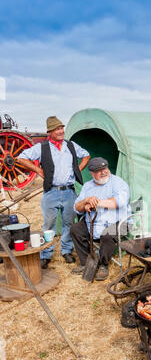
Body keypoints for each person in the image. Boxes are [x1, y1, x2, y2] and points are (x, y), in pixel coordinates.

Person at [18, 116, 90, 268]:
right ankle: (46, 254)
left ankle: (67, 251)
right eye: (57, 129)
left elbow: (86, 155)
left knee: (69, 223)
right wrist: (38, 169)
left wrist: (79, 169)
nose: (61, 131)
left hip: (69, 191)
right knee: (48, 225)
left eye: (61, 128)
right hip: (51, 191)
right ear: (50, 131)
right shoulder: (42, 147)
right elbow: (21, 158)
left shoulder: (70, 145)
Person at [70, 157, 131, 281]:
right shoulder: (87, 186)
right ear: (92, 174)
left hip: (120, 222)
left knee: (107, 235)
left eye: (105, 168)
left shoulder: (118, 182)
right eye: (99, 170)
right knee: (75, 229)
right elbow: (77, 207)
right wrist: (86, 200)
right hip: (94, 222)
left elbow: (119, 202)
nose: (104, 172)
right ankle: (85, 262)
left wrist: (94, 203)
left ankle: (103, 265)